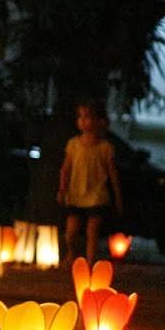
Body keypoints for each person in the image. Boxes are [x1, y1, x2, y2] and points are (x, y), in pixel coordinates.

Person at [58, 100, 122, 264]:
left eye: (87, 117)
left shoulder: (105, 147)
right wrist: (62, 189)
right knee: (71, 233)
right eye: (80, 117)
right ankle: (72, 254)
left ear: (98, 121)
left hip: (97, 195)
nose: (83, 121)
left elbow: (112, 172)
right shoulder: (73, 144)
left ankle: (90, 262)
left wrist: (117, 196)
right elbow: (66, 168)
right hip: (76, 193)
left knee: (92, 233)